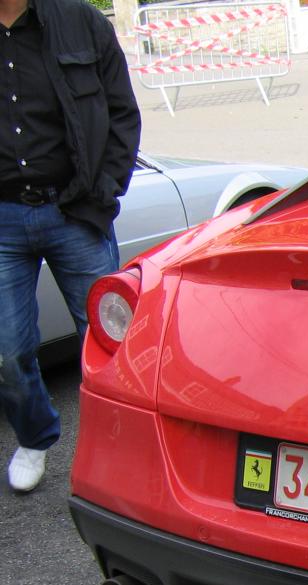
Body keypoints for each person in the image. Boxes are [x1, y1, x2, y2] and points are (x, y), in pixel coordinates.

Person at [0, 0, 140, 493]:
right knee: (7, 352)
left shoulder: (80, 20)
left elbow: (122, 112)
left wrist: (102, 193)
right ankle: (34, 437)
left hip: (75, 210)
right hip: (3, 218)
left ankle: (125, 448)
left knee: (110, 342)